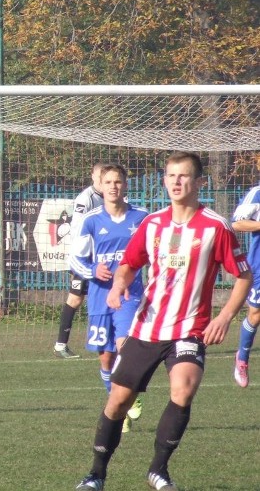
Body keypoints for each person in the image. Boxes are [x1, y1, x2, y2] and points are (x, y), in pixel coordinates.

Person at [75, 152, 252, 491]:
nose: (175, 182)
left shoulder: (216, 226)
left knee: (183, 389)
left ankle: (158, 470)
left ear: (200, 183)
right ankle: (96, 473)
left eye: (184, 176)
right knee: (118, 401)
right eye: (171, 176)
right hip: (147, 326)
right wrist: (119, 285)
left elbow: (243, 275)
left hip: (189, 328)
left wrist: (226, 316)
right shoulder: (152, 223)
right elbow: (128, 263)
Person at [68, 164, 147, 433]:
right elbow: (75, 258)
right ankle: (118, 407)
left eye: (118, 181)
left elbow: (155, 253)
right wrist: (92, 269)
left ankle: (130, 396)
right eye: (108, 182)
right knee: (106, 358)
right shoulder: (91, 220)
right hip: (100, 296)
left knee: (126, 346)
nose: (113, 186)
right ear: (100, 186)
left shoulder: (142, 217)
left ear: (125, 185)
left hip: (129, 294)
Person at [55, 162, 108, 358]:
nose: (103, 181)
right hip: (85, 259)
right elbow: (77, 228)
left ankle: (109, 340)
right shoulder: (85, 199)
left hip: (102, 258)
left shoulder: (110, 198)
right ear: (94, 177)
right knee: (76, 298)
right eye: (100, 176)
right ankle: (61, 345)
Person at [230, 185, 260, 387]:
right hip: (259, 264)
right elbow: (236, 223)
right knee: (256, 314)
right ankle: (242, 357)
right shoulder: (257, 193)